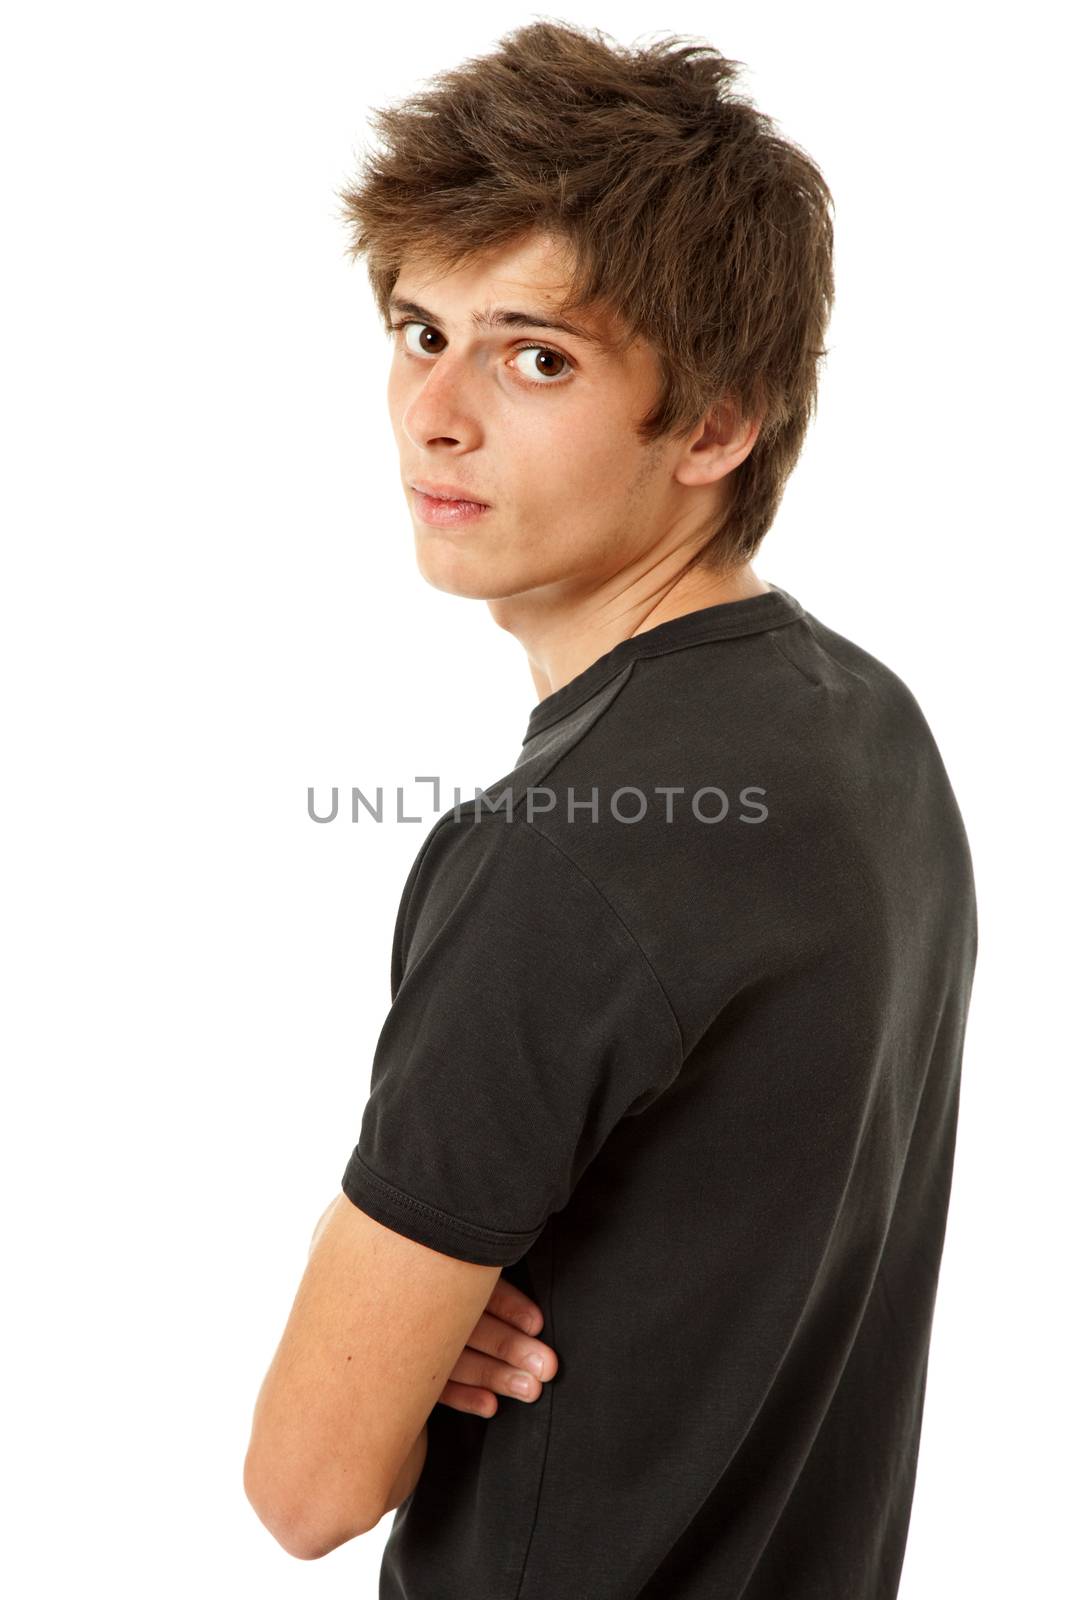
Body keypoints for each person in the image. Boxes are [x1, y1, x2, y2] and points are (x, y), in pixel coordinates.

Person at [243, 22, 978, 1599]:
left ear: (716, 423)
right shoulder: (873, 732)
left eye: (536, 355)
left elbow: (305, 1485)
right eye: (416, 327)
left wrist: (387, 1284)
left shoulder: (561, 853)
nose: (433, 414)